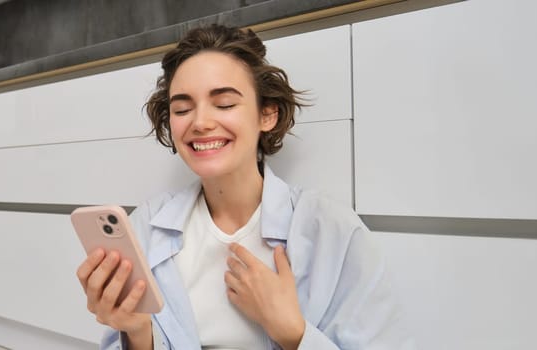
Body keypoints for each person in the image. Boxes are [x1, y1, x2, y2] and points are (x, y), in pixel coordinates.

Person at [76, 24, 414, 350]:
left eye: (224, 104)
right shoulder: (147, 226)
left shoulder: (332, 231)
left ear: (267, 115)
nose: (200, 122)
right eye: (182, 108)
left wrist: (292, 332)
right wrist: (137, 333)